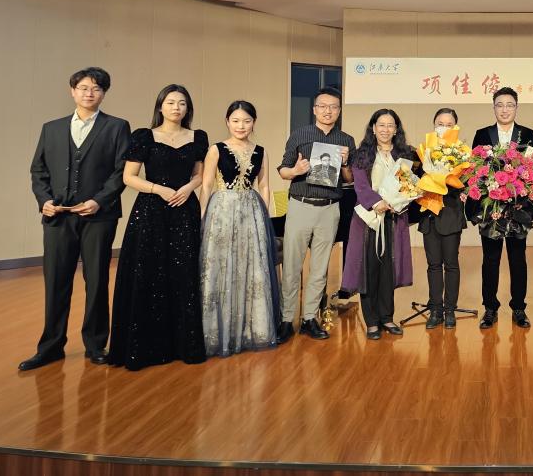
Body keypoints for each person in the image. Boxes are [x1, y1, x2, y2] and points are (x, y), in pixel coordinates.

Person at [22, 67, 131, 371]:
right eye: (83, 87)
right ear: (72, 91)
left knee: (96, 280)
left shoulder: (117, 127)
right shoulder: (51, 129)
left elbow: (121, 171)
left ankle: (95, 345)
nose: (89, 93)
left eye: (96, 88)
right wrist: (44, 201)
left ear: (104, 93)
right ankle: (50, 347)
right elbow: (38, 170)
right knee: (56, 281)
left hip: (99, 217)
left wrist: (98, 201)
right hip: (58, 217)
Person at [109, 84, 208, 370]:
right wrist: (158, 189)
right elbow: (129, 177)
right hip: (151, 211)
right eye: (171, 102)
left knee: (183, 273)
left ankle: (183, 345)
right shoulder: (144, 136)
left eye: (182, 103)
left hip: (185, 208)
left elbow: (199, 174)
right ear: (160, 106)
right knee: (149, 272)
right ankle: (147, 347)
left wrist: (188, 188)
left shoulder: (198, 137)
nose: (176, 107)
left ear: (188, 108)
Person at [199, 101, 280, 356]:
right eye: (235, 121)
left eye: (246, 121)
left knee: (251, 266)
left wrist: (263, 214)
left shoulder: (261, 151)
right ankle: (218, 332)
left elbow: (264, 185)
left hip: (251, 211)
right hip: (222, 211)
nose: (241, 126)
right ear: (227, 122)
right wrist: (202, 216)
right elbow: (206, 185)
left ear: (254, 122)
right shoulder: (216, 149)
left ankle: (250, 330)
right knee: (221, 266)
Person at [276, 87, 355, 343]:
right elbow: (283, 170)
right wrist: (296, 170)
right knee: (292, 265)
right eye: (323, 106)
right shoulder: (299, 134)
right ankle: (286, 319)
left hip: (330, 208)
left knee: (320, 268)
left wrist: (346, 163)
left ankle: (310, 318)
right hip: (300, 205)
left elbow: (349, 179)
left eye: (333, 107)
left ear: (339, 111)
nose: (328, 111)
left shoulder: (346, 140)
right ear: (314, 109)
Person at [342, 109, 416, 340]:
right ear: (373, 128)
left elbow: (406, 184)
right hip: (368, 219)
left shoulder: (404, 154)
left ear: (396, 129)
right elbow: (360, 185)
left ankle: (387, 317)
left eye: (390, 125)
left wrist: (400, 200)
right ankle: (372, 321)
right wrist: (377, 202)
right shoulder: (362, 154)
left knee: (388, 269)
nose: (385, 129)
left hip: (394, 218)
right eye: (381, 125)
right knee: (369, 270)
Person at [472, 86, 533, 329]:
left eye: (510, 105)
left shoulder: (528, 134)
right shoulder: (482, 134)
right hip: (491, 208)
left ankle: (519, 308)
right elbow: (475, 170)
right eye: (500, 105)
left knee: (518, 259)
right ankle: (490, 308)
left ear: (516, 108)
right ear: (494, 108)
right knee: (490, 259)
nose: (505, 109)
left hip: (517, 208)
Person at [418, 108, 467, 330]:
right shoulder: (425, 150)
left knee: (452, 264)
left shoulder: (461, 153)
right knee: (433, 265)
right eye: (440, 123)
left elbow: (463, 183)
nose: (444, 128)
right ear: (434, 125)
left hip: (450, 214)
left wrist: (448, 178)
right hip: (429, 213)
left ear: (455, 127)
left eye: (449, 125)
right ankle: (435, 309)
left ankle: (450, 310)